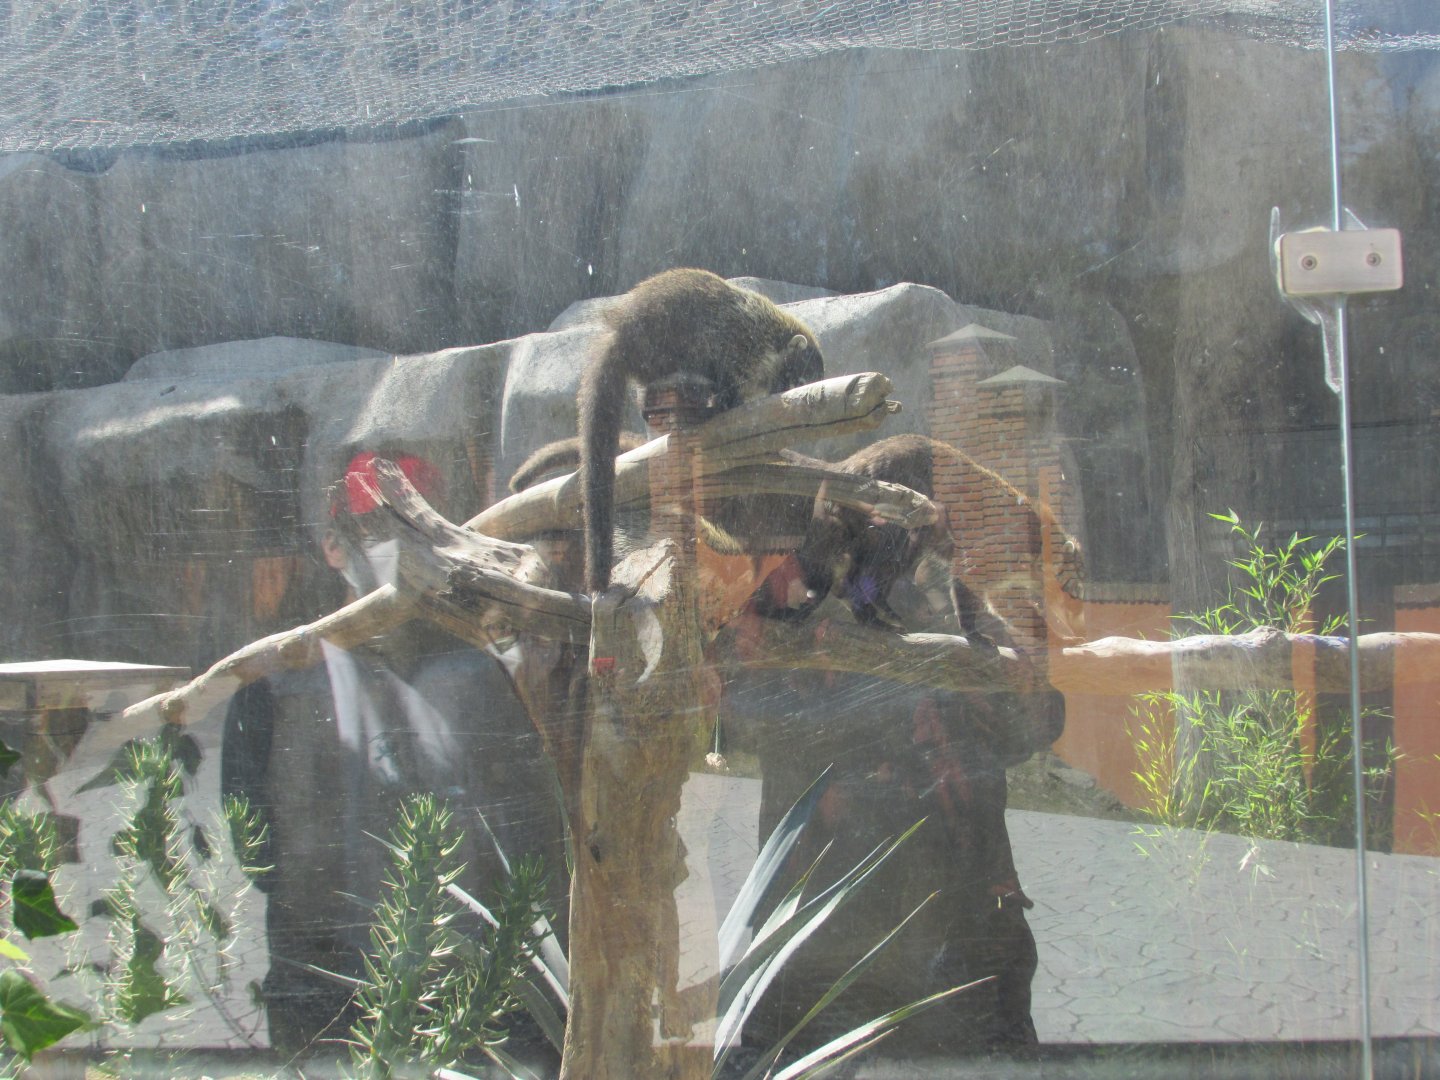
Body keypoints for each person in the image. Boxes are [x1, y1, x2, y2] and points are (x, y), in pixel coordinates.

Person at [222, 451, 564, 1056]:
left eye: (418, 531)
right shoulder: (279, 678)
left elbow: (533, 830)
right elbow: (258, 850)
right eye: (381, 531)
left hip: (478, 994)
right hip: (327, 988)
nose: (403, 552)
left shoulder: (494, 666)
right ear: (332, 546)